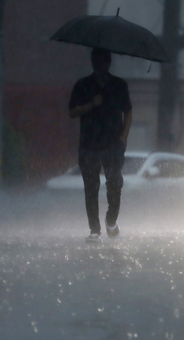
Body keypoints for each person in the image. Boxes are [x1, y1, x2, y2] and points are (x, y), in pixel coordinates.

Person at [69, 48, 133, 243]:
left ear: (109, 62)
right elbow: (72, 112)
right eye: (96, 62)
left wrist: (123, 138)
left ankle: (111, 220)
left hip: (113, 144)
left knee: (114, 183)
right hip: (89, 144)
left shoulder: (119, 85)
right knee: (91, 187)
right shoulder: (83, 85)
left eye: (103, 61)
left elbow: (128, 112)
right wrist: (91, 104)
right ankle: (94, 229)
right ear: (92, 63)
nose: (100, 66)